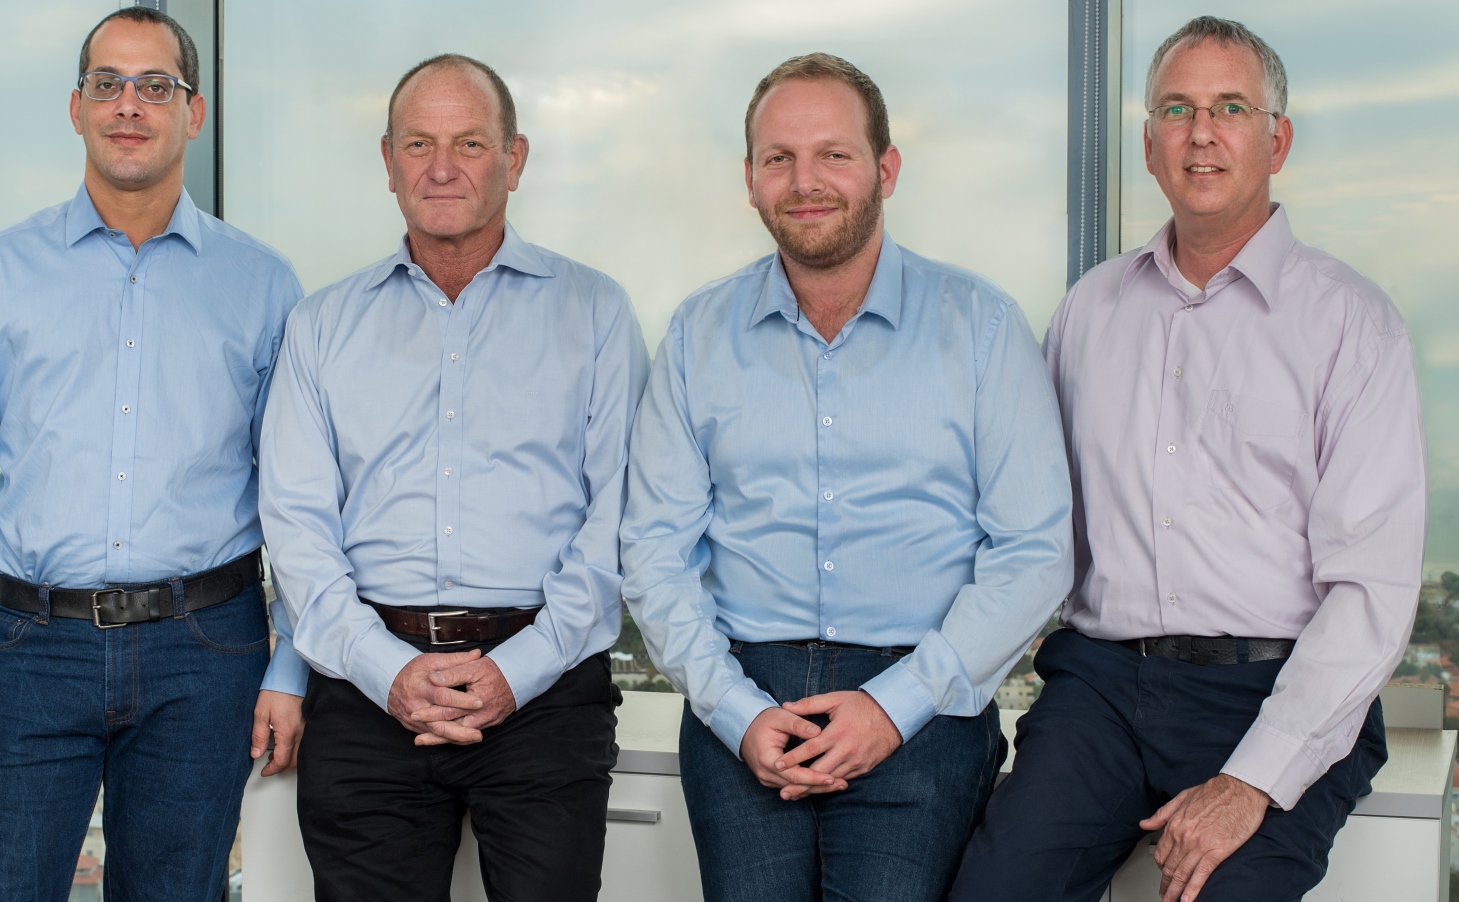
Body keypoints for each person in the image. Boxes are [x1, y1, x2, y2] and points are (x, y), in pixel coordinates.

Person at [951, 16, 1424, 902]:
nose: (1200, 132)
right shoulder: (1087, 312)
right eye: (1176, 109)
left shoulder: (1350, 324)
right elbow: (1030, 522)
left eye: (1230, 108)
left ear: (1276, 140)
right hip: (1098, 692)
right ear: (1147, 145)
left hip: (1274, 686)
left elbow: (1372, 591)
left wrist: (1250, 781)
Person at [619, 53, 1073, 902]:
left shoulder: (981, 328)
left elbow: (1034, 551)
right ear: (749, 180)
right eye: (778, 158)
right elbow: (653, 549)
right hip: (742, 695)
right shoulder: (695, 335)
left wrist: (895, 704)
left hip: (925, 697)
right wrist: (735, 710)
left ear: (884, 170)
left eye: (833, 154)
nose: (805, 182)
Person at [0, 8, 308, 901]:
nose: (129, 105)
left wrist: (291, 663)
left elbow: (298, 494)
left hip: (208, 651)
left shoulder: (264, 285)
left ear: (193, 112)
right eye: (107, 83)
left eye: (156, 85)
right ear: (76, 106)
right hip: (32, 647)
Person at [258, 53, 648, 902]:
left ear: (514, 159)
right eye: (418, 144)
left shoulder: (595, 313)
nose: (442, 168)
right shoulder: (320, 327)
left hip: (546, 695)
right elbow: (295, 531)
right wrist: (385, 670)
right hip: (363, 697)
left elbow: (619, 519)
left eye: (469, 143)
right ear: (388, 161)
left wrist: (521, 670)